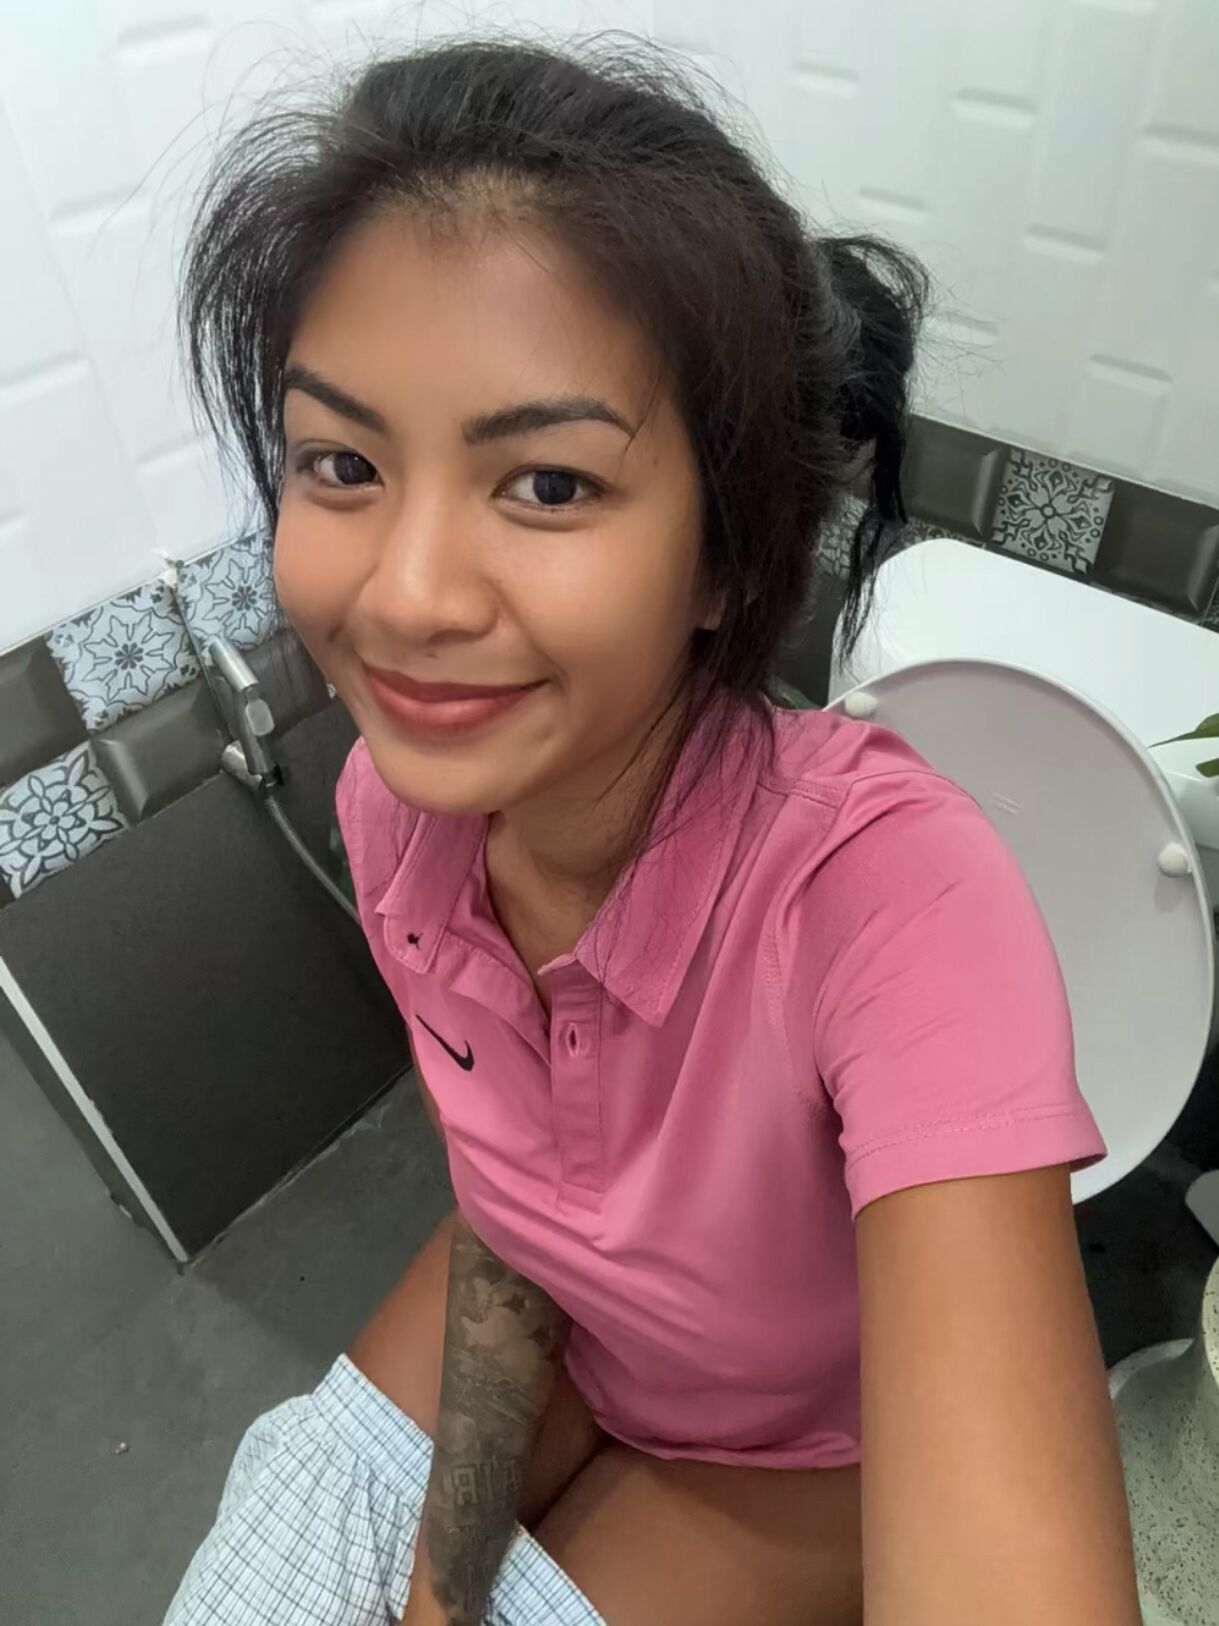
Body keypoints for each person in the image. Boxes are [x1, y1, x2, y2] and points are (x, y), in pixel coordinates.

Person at [165, 36, 1141, 1626]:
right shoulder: (397, 813)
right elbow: (515, 1212)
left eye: (548, 485)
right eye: (342, 461)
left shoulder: (895, 901)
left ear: (726, 558)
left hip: (816, 1453)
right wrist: (434, 1593)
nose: (405, 595)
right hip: (585, 1330)